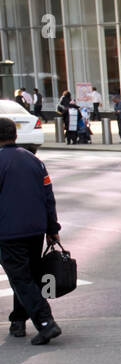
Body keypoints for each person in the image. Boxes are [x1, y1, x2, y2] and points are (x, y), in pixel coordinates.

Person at [0, 118, 62, 344]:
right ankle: (18, 320)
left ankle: (45, 322)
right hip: (35, 229)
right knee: (27, 275)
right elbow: (48, 196)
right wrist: (52, 228)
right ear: (15, 136)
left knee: (21, 277)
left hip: (9, 231)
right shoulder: (34, 161)